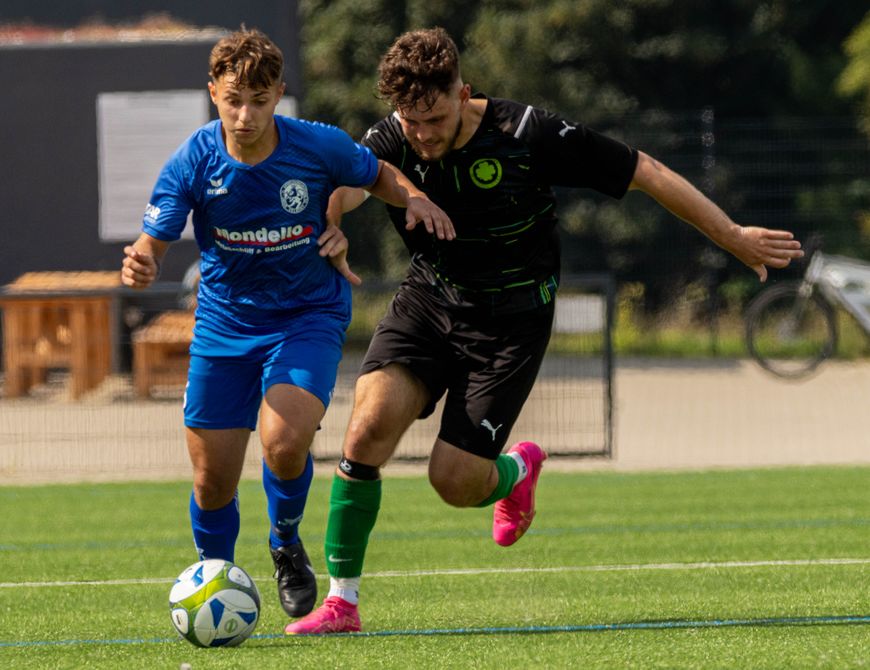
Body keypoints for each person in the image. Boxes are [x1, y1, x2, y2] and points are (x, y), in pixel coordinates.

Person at [285, 27, 804, 634]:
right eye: (410, 120)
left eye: (434, 118)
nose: (421, 136)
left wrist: (732, 236)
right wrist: (332, 219)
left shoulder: (528, 133)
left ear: (463, 92)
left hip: (511, 325)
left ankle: (515, 471)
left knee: (452, 484)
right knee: (366, 430)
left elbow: (646, 171)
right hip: (429, 302)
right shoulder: (395, 137)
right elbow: (347, 183)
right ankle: (342, 603)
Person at [119, 28, 452, 621]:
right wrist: (143, 258)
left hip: (307, 316)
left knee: (283, 440)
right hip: (224, 325)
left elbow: (376, 173)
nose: (246, 115)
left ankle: (285, 541)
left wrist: (414, 197)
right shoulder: (195, 158)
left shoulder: (315, 146)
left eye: (260, 100)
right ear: (213, 94)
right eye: (233, 100)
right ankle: (215, 582)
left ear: (279, 96)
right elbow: (156, 235)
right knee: (211, 482)